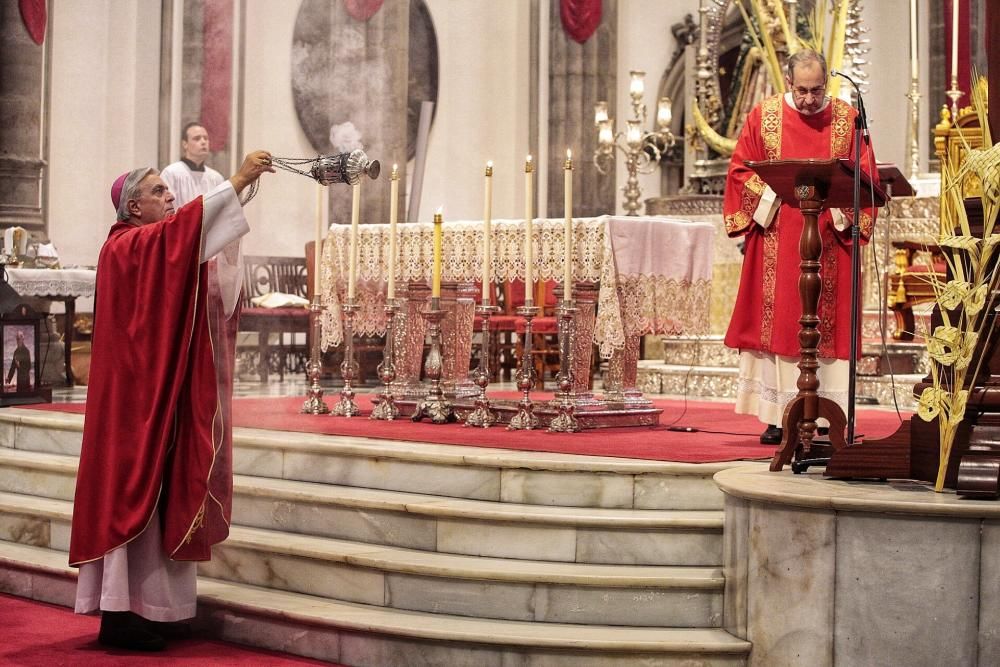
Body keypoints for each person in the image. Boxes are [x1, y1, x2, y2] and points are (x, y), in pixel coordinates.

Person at [68, 150, 274, 651]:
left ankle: (155, 611)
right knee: (135, 494)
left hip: (156, 390)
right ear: (133, 206)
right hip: (133, 404)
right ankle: (122, 616)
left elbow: (190, 239)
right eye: (159, 191)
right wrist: (239, 178)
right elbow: (181, 235)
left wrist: (238, 191)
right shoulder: (127, 247)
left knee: (160, 494)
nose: (169, 197)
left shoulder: (149, 242)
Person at [723, 49, 879, 445]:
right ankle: (778, 416)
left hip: (831, 235)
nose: (810, 99)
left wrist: (844, 212)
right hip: (778, 230)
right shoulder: (765, 116)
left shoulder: (847, 117)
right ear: (789, 83)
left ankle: (829, 415)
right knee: (780, 322)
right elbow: (741, 169)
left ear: (828, 83)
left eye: (817, 90)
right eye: (803, 90)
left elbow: (865, 174)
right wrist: (774, 197)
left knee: (829, 322)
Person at [159, 122, 225, 206]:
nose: (203, 142)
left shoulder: (216, 178)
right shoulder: (171, 173)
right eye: (197, 138)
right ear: (185, 144)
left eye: (206, 138)